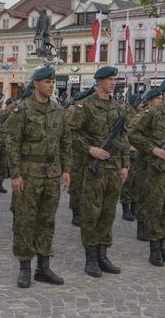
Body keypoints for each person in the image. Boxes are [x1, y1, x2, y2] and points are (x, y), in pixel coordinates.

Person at [5, 66, 71, 288]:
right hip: (29, 175)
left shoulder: (58, 110)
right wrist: (15, 174)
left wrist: (66, 169)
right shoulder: (23, 110)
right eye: (47, 82)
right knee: (25, 220)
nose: (51, 85)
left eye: (53, 82)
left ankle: (43, 267)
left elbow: (66, 142)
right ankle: (25, 266)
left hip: (51, 175)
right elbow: (12, 143)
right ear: (36, 85)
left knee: (47, 220)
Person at [68, 66, 129, 278]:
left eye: (115, 79)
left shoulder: (117, 107)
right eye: (110, 79)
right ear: (99, 81)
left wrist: (125, 165)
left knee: (108, 213)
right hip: (93, 169)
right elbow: (72, 135)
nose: (114, 82)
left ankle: (103, 254)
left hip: (113, 169)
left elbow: (123, 139)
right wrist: (90, 149)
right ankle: (91, 257)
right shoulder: (86, 106)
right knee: (91, 213)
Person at [129, 77, 165, 266]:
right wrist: (153, 149)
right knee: (156, 208)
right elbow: (133, 134)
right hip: (157, 170)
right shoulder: (152, 113)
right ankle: (154, 249)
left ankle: (164, 245)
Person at [132, 88, 163, 241]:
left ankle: (153, 224)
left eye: (161, 98)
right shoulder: (143, 116)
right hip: (144, 161)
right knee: (143, 194)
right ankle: (141, 226)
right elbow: (132, 135)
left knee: (155, 195)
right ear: (150, 100)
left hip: (158, 162)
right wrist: (149, 147)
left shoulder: (161, 116)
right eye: (157, 99)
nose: (160, 101)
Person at [66, 86, 96, 227]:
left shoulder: (92, 111)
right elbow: (71, 133)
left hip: (91, 155)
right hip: (77, 154)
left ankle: (86, 211)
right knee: (77, 184)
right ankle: (76, 212)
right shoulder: (77, 111)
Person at [119, 93, 143, 222]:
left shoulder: (142, 115)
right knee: (127, 182)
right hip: (129, 152)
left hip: (138, 154)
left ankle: (134, 207)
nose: (141, 104)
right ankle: (126, 209)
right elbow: (124, 134)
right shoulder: (127, 116)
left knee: (136, 182)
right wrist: (129, 147)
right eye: (139, 102)